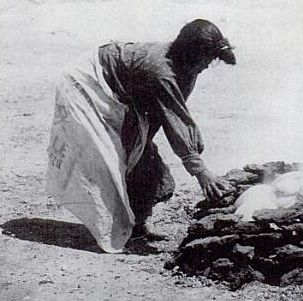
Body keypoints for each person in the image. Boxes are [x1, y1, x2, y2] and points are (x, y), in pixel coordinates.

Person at [97, 19, 235, 239]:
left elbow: (175, 113)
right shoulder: (162, 71)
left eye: (209, 60)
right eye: (204, 60)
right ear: (187, 53)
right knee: (130, 154)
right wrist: (200, 171)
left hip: (133, 87)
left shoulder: (188, 65)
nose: (206, 66)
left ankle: (136, 224)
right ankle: (123, 224)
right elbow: (173, 117)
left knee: (141, 153)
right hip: (99, 81)